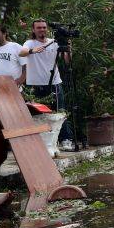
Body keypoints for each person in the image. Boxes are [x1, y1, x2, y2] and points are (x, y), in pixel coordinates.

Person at [19, 19, 73, 148]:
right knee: (38, 114)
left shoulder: (53, 43)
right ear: (33, 30)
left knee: (60, 112)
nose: (42, 30)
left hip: (54, 82)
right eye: (39, 28)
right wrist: (33, 51)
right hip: (35, 84)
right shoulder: (29, 42)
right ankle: (41, 142)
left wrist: (68, 48)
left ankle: (65, 139)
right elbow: (21, 52)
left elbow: (67, 61)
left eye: (44, 27)